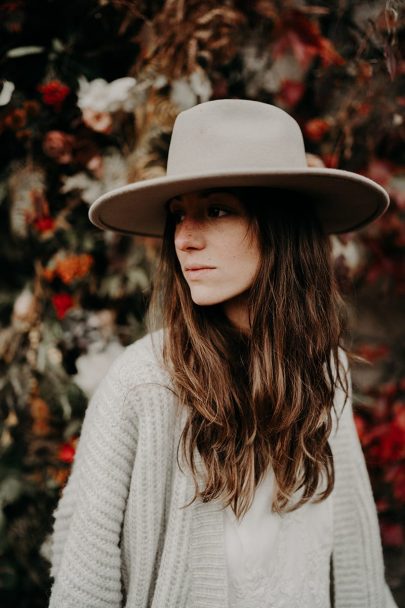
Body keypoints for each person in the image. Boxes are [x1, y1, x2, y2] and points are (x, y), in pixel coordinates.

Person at [48, 100, 398, 607]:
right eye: (178, 215)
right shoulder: (144, 384)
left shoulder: (325, 371)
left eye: (216, 210)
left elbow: (356, 566)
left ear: (280, 228)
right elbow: (84, 582)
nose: (184, 240)